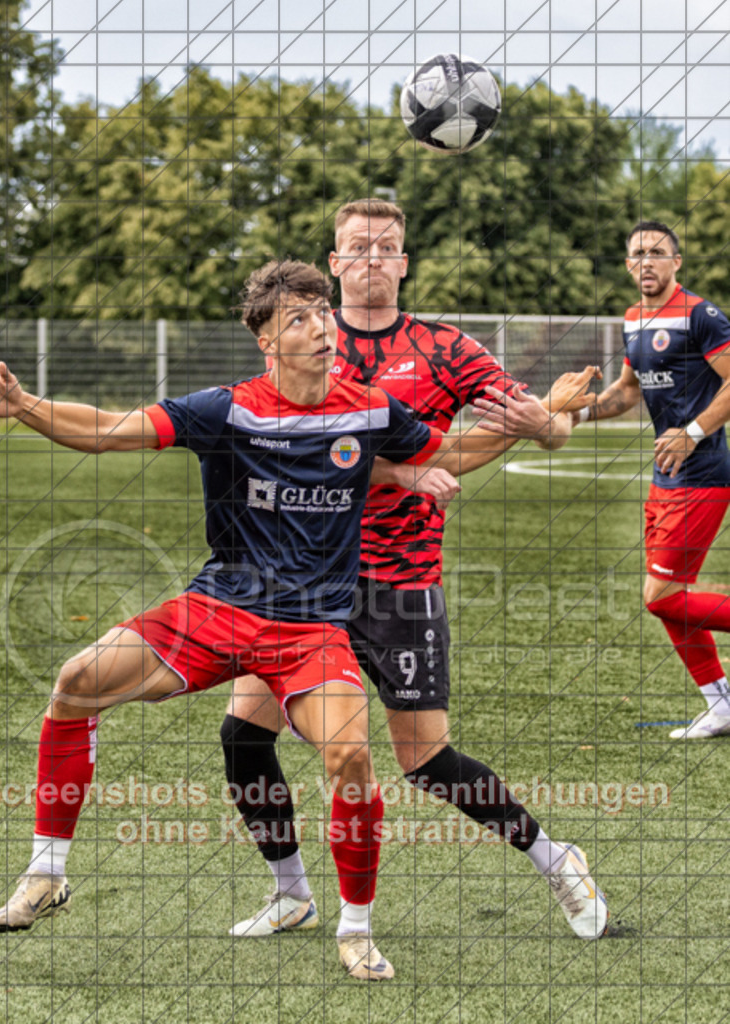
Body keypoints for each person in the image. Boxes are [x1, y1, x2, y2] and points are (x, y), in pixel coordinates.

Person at [0, 259, 468, 981]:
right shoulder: (228, 407)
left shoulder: (369, 408)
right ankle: (47, 874)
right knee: (76, 681)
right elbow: (112, 430)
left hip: (310, 630)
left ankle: (354, 928)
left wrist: (466, 448)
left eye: (321, 313)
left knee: (352, 758)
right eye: (297, 318)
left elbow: (442, 450)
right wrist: (27, 405)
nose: (320, 327)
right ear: (266, 340)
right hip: (219, 607)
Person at [220, 198, 609, 943]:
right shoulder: (307, 348)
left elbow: (541, 425)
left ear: (403, 262)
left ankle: (556, 857)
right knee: (243, 734)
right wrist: (418, 464)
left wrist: (547, 421)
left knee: (425, 760)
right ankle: (291, 891)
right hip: (302, 584)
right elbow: (303, 458)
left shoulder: (444, 347)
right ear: (333, 267)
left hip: (400, 580)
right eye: (356, 246)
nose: (370, 257)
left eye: (385, 246)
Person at [499, 220, 730, 741]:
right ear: (628, 265)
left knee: (662, 596)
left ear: (677, 262)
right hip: (665, 478)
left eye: (656, 252)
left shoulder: (701, 315)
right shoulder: (633, 320)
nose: (645, 262)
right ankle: (720, 704)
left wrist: (692, 433)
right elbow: (627, 392)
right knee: (671, 595)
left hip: (703, 474)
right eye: (636, 254)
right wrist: (578, 412)